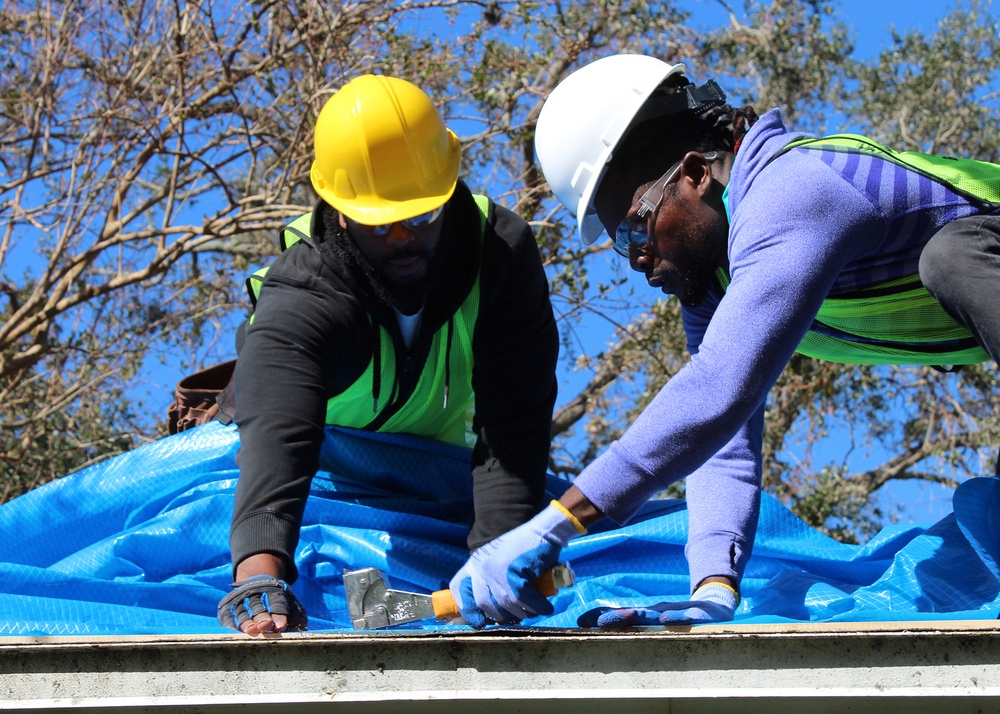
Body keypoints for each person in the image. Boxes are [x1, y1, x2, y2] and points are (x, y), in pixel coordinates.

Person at [448, 53, 1000, 629]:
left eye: (638, 225)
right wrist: (713, 590)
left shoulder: (794, 189)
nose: (637, 258)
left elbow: (720, 385)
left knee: (951, 258)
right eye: (619, 242)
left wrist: (556, 523)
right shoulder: (714, 281)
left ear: (694, 173)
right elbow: (722, 436)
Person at [217, 74, 559, 635]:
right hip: (314, 470)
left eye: (422, 216)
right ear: (340, 210)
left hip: (430, 472)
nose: (402, 238)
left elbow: (513, 430)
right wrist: (260, 571)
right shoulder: (305, 293)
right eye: (378, 224)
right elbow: (279, 440)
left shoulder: (499, 256)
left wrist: (497, 561)